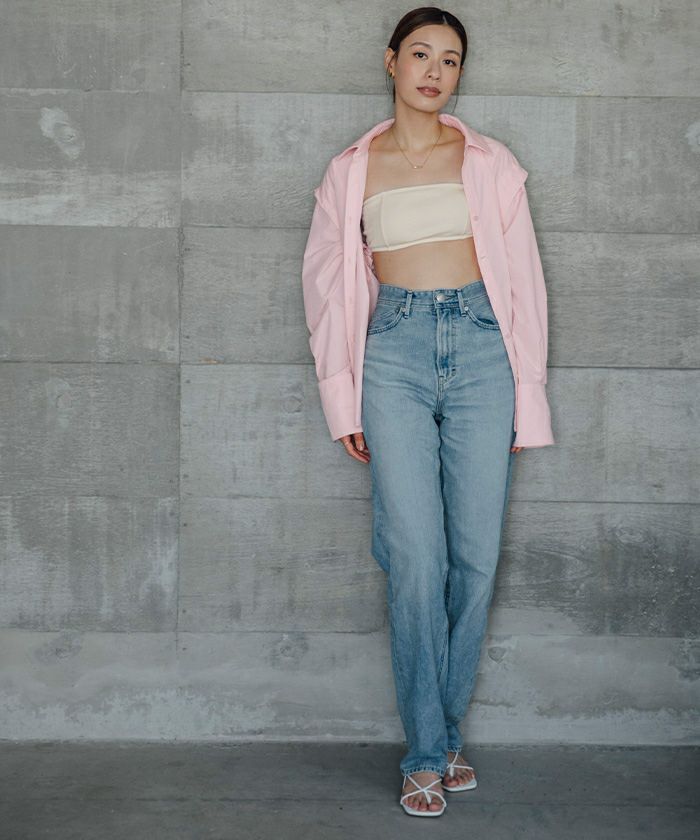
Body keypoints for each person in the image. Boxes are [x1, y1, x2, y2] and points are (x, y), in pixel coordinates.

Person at [301, 6, 555, 818]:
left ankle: (444, 736)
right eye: (420, 54)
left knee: (474, 558)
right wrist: (341, 391)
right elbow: (326, 287)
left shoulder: (490, 162)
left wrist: (527, 396)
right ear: (391, 62)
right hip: (394, 353)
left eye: (450, 59)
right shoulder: (351, 170)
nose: (434, 71)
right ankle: (424, 754)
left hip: (483, 351)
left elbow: (525, 283)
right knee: (415, 558)